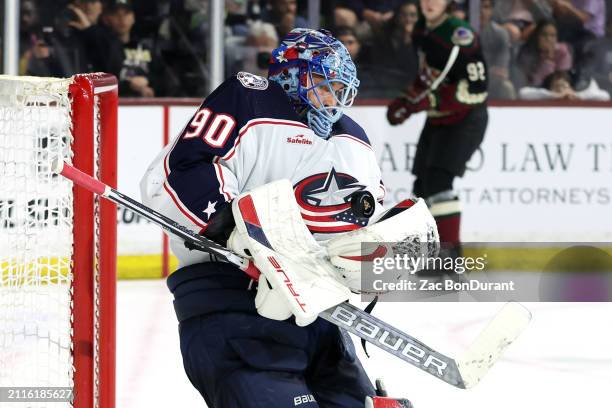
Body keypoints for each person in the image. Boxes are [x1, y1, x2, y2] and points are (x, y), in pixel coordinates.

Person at [141, 28, 421, 408]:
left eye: (342, 89)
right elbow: (181, 171)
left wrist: (373, 257)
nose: (335, 98)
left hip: (319, 317)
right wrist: (231, 226)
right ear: (292, 73)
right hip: (233, 304)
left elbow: (364, 220)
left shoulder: (355, 141)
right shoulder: (248, 101)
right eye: (325, 84)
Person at [386, 0, 488, 259]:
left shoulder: (460, 35)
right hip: (438, 119)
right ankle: (430, 254)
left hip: (466, 119)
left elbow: (476, 89)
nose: (431, 3)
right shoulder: (422, 29)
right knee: (422, 185)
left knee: (440, 181)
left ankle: (450, 256)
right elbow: (429, 77)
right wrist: (407, 100)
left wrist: (429, 101)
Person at [516, 20, 573, 87]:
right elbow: (532, 84)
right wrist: (546, 62)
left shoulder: (562, 51)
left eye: (552, 35)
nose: (548, 39)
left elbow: (563, 79)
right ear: (537, 36)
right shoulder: (527, 53)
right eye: (544, 35)